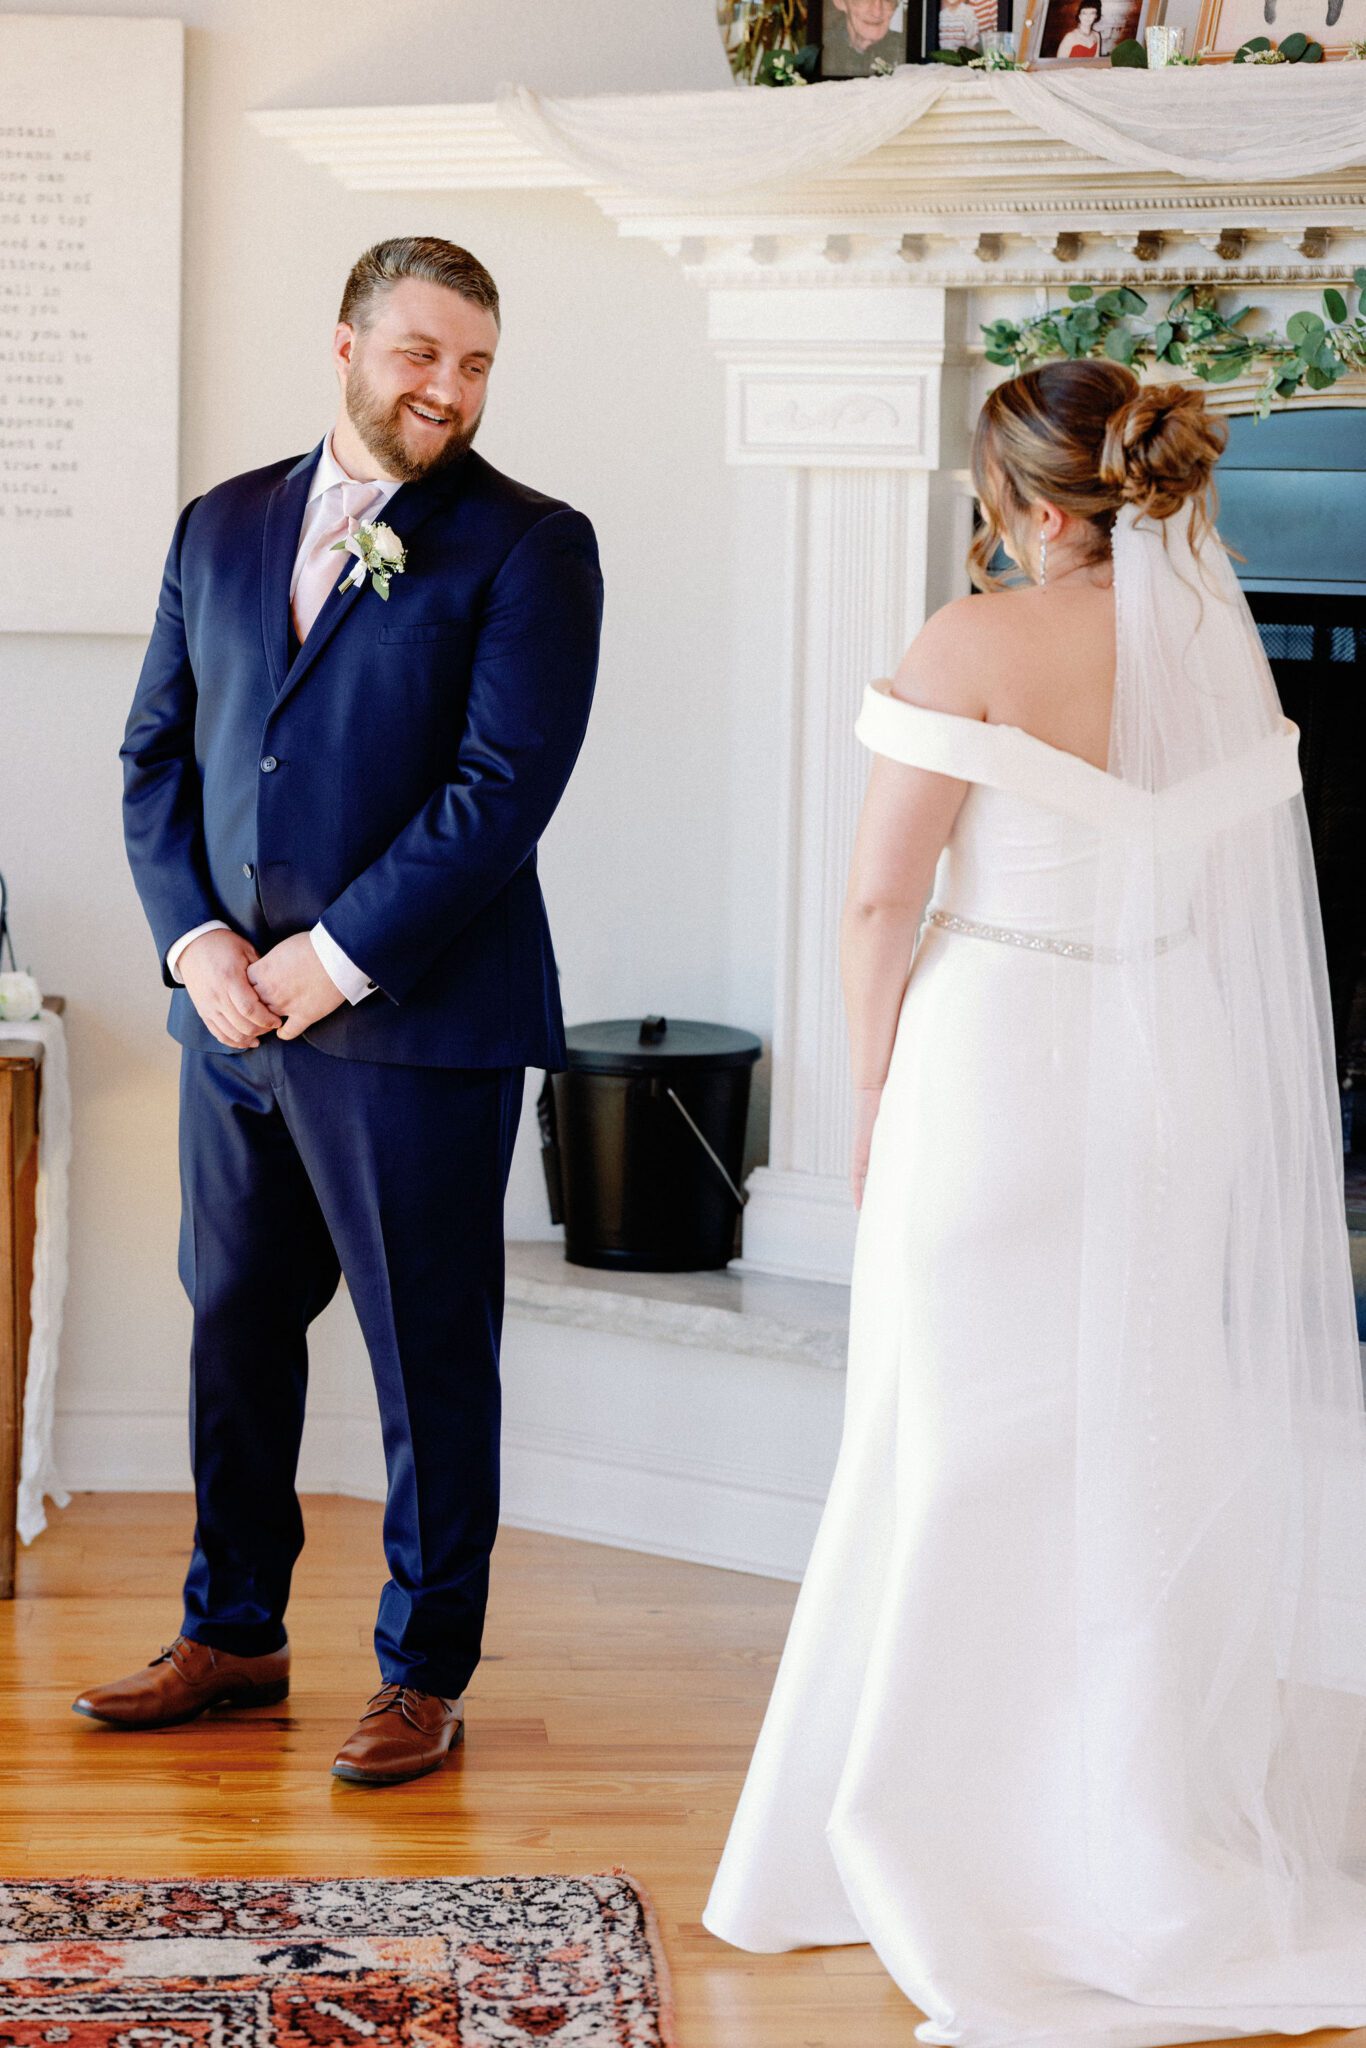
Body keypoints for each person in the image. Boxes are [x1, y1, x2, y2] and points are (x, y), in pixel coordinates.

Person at [704, 360, 1366, 2040]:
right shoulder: (1219, 649)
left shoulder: (969, 640)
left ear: (1032, 504)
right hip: (1178, 1074)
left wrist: (866, 1096)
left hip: (999, 1066)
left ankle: (925, 1820)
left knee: (950, 1434)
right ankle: (1124, 1825)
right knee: (1132, 1439)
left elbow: (877, 896)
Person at [82, 236, 603, 1786]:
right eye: (420, 355)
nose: (447, 389)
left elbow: (501, 793)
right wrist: (197, 951)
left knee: (424, 1357)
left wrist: (330, 961)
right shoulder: (218, 523)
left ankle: (423, 1671)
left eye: (476, 364)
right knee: (235, 1328)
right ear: (347, 346)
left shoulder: (530, 545)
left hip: (416, 1026)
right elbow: (156, 761)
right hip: (228, 1027)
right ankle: (233, 1631)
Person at [822, 0, 904, 74]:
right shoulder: (821, 51)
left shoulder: (904, 49)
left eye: (887, 0)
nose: (877, 13)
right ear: (840, 2)